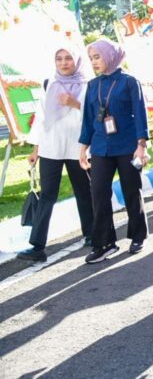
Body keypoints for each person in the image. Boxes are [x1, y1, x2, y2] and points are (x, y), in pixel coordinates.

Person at [17, 44, 94, 262]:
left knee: (83, 191)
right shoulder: (49, 84)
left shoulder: (87, 85)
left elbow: (92, 113)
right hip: (51, 147)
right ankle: (37, 246)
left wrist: (74, 103)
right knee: (47, 195)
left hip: (77, 147)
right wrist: (35, 150)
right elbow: (41, 118)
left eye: (68, 58)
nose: (63, 63)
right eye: (59, 59)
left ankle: (91, 234)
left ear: (76, 60)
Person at [78, 39, 149, 264]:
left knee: (131, 191)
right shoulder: (92, 85)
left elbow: (140, 114)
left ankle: (138, 235)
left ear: (110, 55)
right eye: (91, 58)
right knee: (98, 193)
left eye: (97, 57)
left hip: (127, 146)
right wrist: (83, 148)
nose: (94, 62)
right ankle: (105, 243)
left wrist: (141, 145)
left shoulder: (129, 82)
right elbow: (88, 119)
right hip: (100, 147)